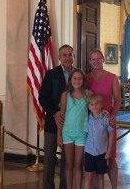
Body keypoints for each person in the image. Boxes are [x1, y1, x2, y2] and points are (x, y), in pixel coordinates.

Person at [39, 44, 75, 189]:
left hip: (72, 125)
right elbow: (43, 98)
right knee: (49, 158)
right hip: (53, 123)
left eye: (70, 55)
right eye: (64, 55)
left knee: (68, 160)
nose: (67, 58)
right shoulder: (51, 74)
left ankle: (65, 186)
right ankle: (48, 186)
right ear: (59, 57)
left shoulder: (79, 75)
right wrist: (54, 113)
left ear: (73, 56)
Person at [86, 48, 121, 189]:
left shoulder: (112, 77)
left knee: (110, 157)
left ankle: (114, 187)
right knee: (93, 158)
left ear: (103, 60)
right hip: (92, 122)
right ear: (90, 62)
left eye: (98, 58)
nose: (96, 61)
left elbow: (118, 100)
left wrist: (112, 115)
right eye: (93, 59)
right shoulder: (86, 78)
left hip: (107, 121)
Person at [57, 68, 92, 189]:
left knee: (78, 164)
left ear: (83, 80)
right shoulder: (65, 95)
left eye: (80, 78)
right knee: (69, 164)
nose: (77, 81)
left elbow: (95, 108)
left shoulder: (88, 94)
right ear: (70, 80)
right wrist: (58, 135)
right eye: (75, 78)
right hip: (67, 133)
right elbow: (61, 116)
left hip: (82, 133)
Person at [84, 94, 114, 189]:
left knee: (100, 176)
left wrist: (109, 151)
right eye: (91, 104)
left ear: (102, 105)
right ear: (88, 106)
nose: (94, 106)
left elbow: (111, 134)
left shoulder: (106, 119)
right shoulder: (87, 119)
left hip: (101, 152)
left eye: (96, 104)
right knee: (88, 176)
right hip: (89, 152)